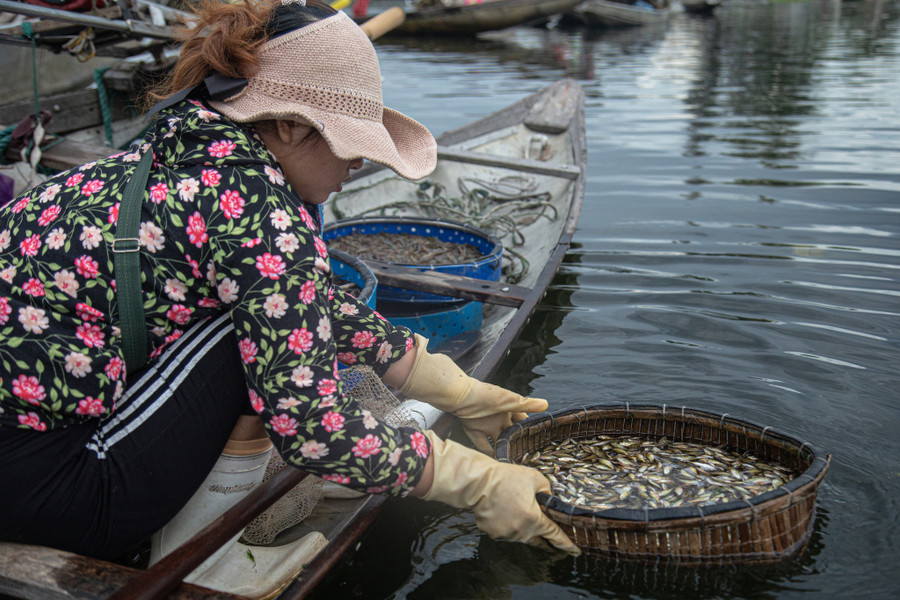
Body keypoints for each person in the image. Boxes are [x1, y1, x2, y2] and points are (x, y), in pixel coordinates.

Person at [0, 0, 578, 564]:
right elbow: (308, 426)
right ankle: (209, 559)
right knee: (251, 340)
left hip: (24, 463)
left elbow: (297, 298)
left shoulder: (179, 152)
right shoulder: (258, 212)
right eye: (351, 145)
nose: (358, 165)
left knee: (270, 317)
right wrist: (470, 480)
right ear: (286, 124)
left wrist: (444, 384)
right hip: (61, 491)